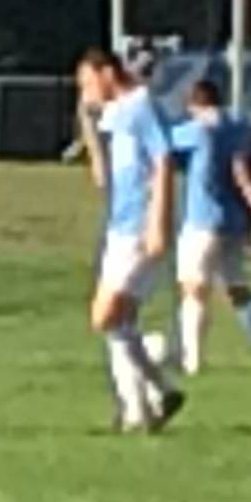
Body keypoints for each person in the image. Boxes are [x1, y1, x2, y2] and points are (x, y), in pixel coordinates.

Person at [76, 48, 185, 434]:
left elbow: (163, 161)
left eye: (89, 82)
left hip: (140, 227)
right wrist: (87, 123)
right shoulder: (114, 115)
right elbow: (102, 178)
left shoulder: (141, 106)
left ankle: (156, 390)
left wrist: (158, 222)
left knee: (106, 316)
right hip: (119, 228)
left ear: (108, 73)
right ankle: (138, 409)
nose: (86, 91)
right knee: (117, 323)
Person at [169, 76, 251, 377]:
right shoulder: (239, 127)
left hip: (203, 218)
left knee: (194, 287)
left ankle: (192, 359)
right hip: (237, 220)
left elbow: (164, 143)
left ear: (194, 104)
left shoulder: (200, 128)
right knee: (237, 286)